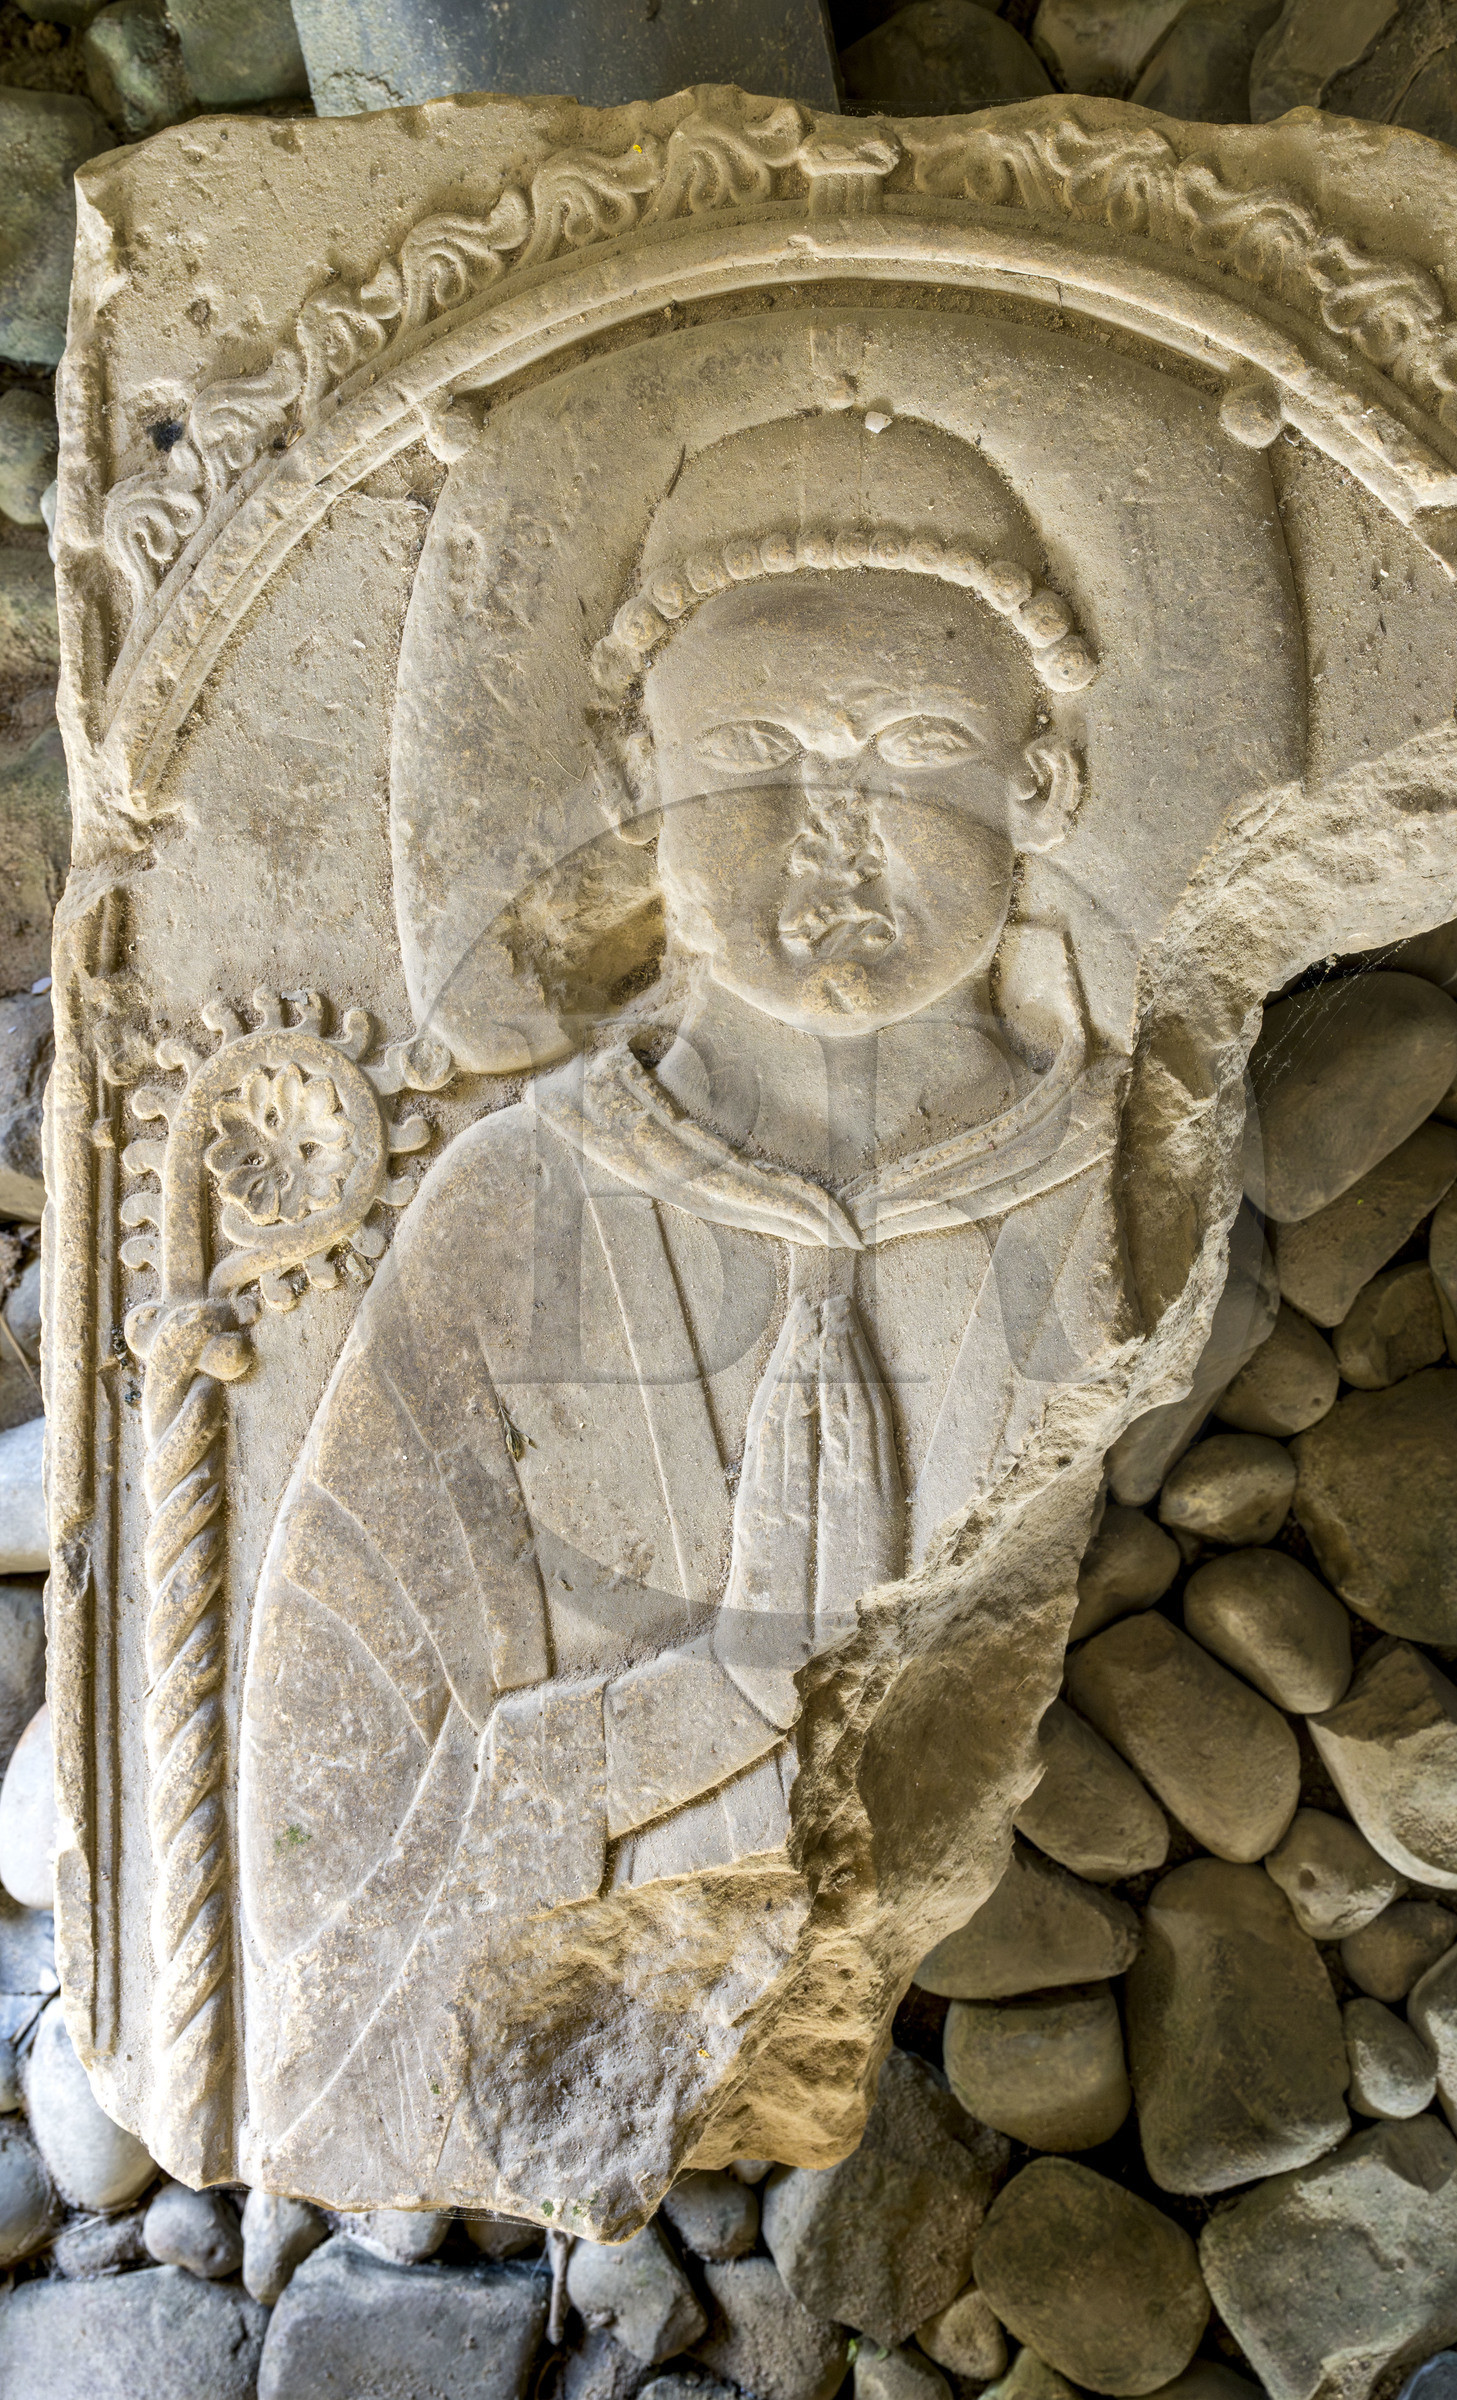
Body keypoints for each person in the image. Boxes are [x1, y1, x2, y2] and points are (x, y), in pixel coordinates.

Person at [238, 412, 1133, 2213]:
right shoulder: (515, 1208)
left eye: (922, 750)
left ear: (1044, 781)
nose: (836, 831)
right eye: (751, 756)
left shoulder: (1119, 1188)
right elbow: (322, 1855)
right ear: (633, 776)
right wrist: (708, 1697)